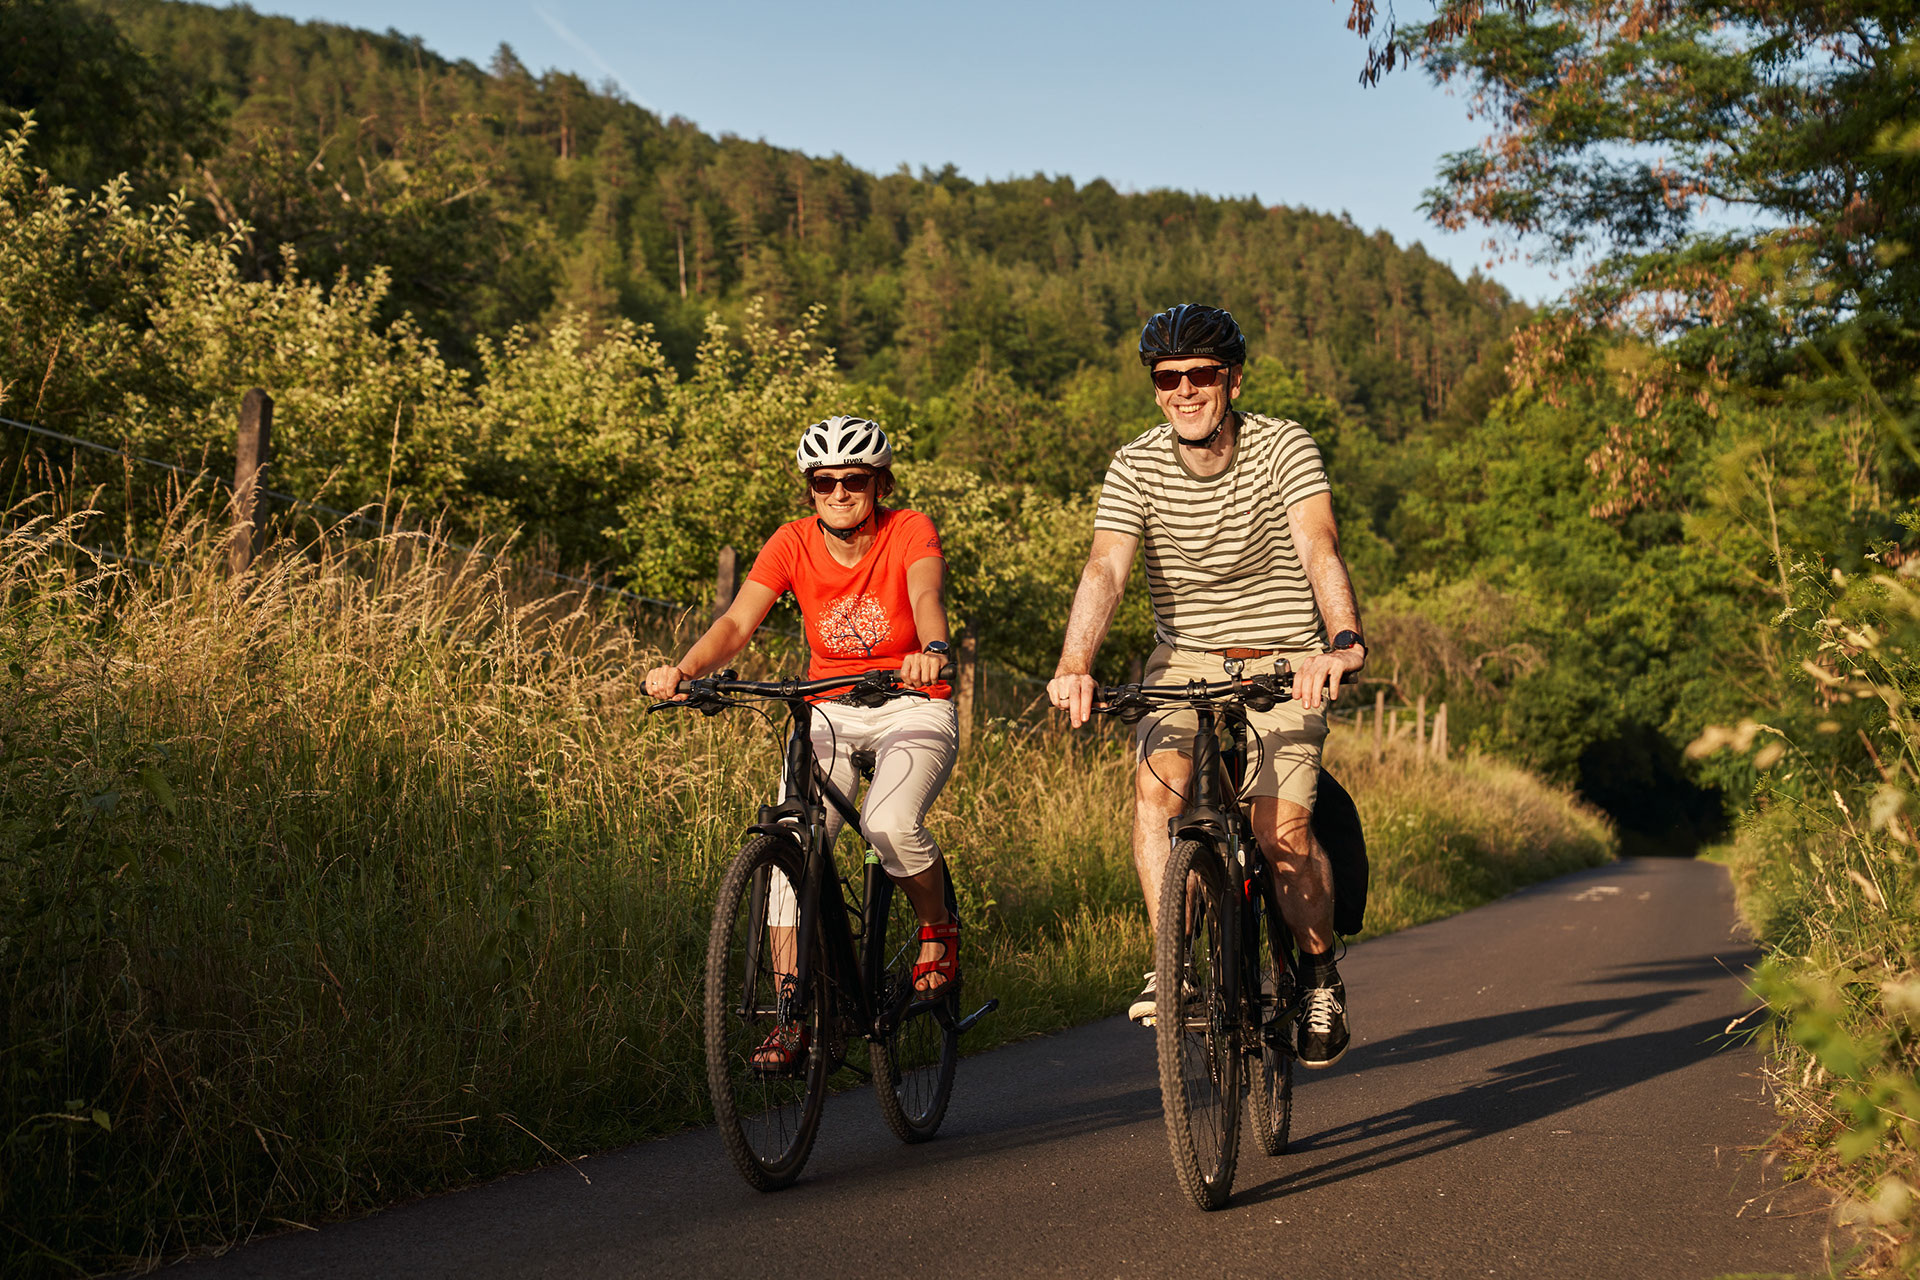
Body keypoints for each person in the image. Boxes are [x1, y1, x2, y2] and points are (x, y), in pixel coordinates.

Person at [1045, 303, 1367, 1068]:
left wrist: (1342, 640)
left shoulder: (1283, 445)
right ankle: (1176, 969)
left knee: (1279, 832)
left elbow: (1318, 543)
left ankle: (1318, 973)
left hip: (1286, 660)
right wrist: (1075, 662)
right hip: (1185, 662)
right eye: (1168, 378)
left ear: (1233, 380)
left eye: (1201, 375)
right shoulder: (1135, 465)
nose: (1184, 391)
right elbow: (1106, 567)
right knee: (1156, 792)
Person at [644, 415, 960, 1070]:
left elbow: (925, 592)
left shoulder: (909, 529)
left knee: (887, 822)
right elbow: (737, 623)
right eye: (825, 481)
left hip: (912, 703)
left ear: (880, 484)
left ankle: (937, 929)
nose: (839, 492)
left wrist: (931, 648)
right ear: (810, 488)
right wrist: (685, 671)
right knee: (792, 846)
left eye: (854, 480)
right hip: (829, 711)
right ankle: (793, 1015)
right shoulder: (791, 542)